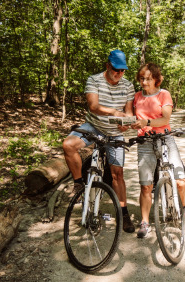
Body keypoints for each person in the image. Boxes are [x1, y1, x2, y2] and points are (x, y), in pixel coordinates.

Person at [62, 50, 136, 233]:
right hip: (93, 126)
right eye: (116, 69)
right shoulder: (94, 80)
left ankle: (123, 213)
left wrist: (126, 123)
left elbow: (128, 112)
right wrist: (113, 112)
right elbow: (93, 106)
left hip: (114, 132)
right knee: (68, 145)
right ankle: (79, 183)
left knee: (118, 173)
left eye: (123, 71)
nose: (119, 74)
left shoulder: (128, 85)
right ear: (108, 66)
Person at [131, 63, 185, 238]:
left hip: (165, 138)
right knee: (146, 185)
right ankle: (144, 222)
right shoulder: (136, 97)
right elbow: (130, 117)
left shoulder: (164, 94)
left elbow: (165, 118)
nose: (144, 82)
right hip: (145, 142)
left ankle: (183, 206)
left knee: (180, 181)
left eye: (149, 79)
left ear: (156, 79)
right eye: (142, 78)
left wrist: (147, 123)